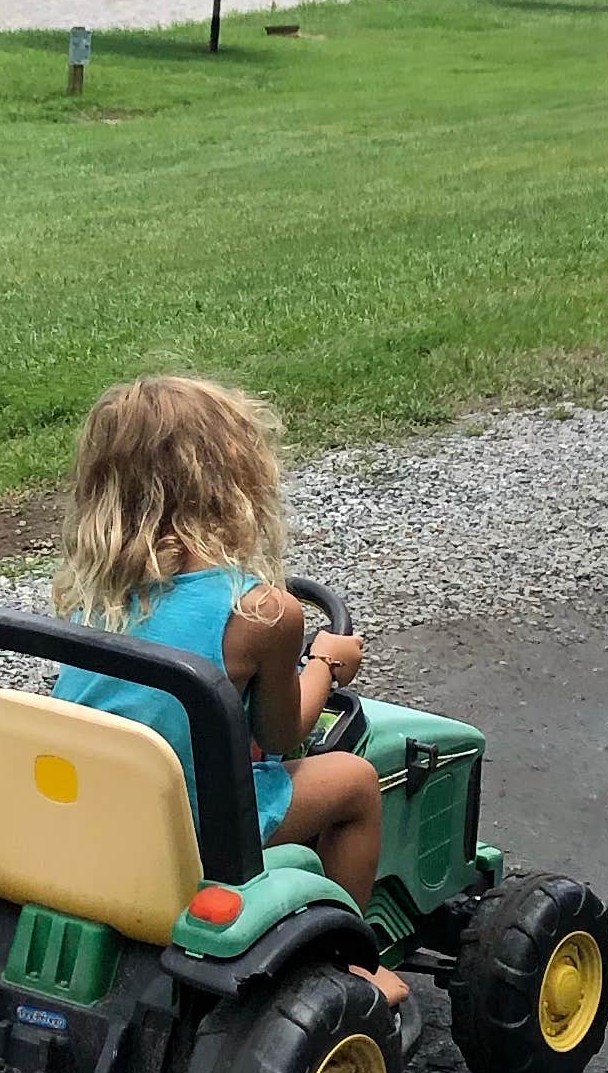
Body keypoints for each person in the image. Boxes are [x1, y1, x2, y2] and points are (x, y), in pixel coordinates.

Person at [47, 373, 384, 912]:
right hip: (190, 832)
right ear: (236, 482)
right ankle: (351, 962)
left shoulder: (96, 594)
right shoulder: (263, 611)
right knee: (356, 782)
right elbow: (281, 734)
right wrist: (324, 663)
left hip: (88, 807)